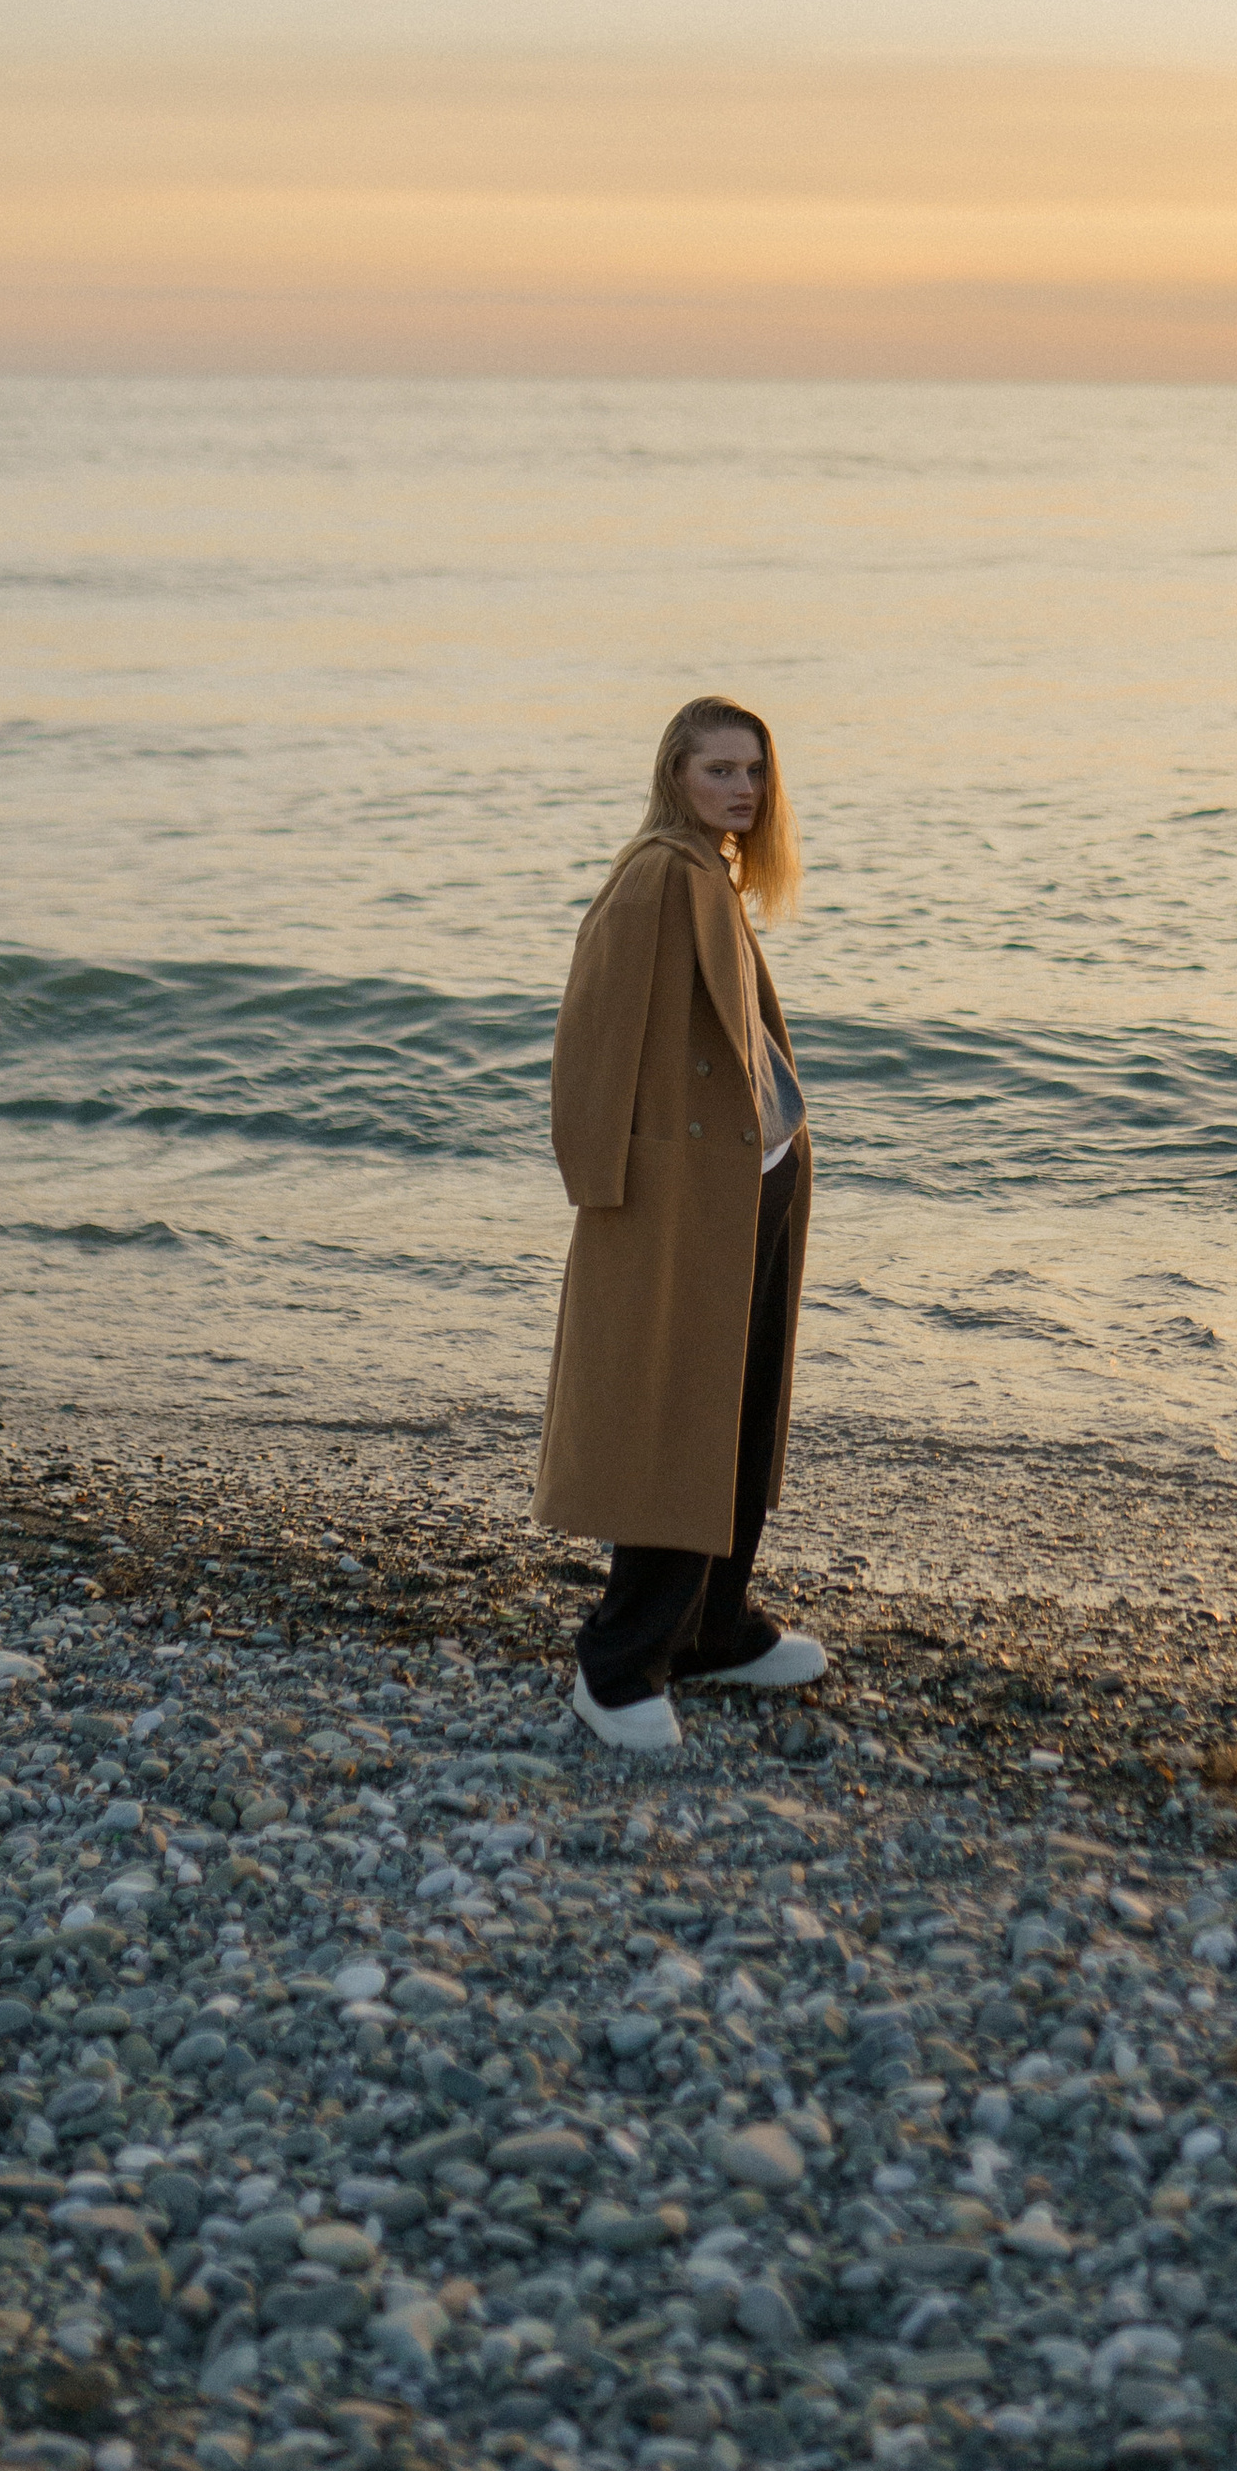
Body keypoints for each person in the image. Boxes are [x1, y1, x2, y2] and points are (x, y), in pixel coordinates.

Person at [535, 693, 829, 1752]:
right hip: (681, 1203)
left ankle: (712, 1629)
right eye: (718, 770)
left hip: (749, 1186)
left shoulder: (710, 872)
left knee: (737, 1420)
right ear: (673, 775)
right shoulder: (659, 875)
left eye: (754, 770)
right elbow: (591, 1034)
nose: (741, 788)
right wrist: (605, 1190)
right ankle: (617, 1667)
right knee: (678, 1423)